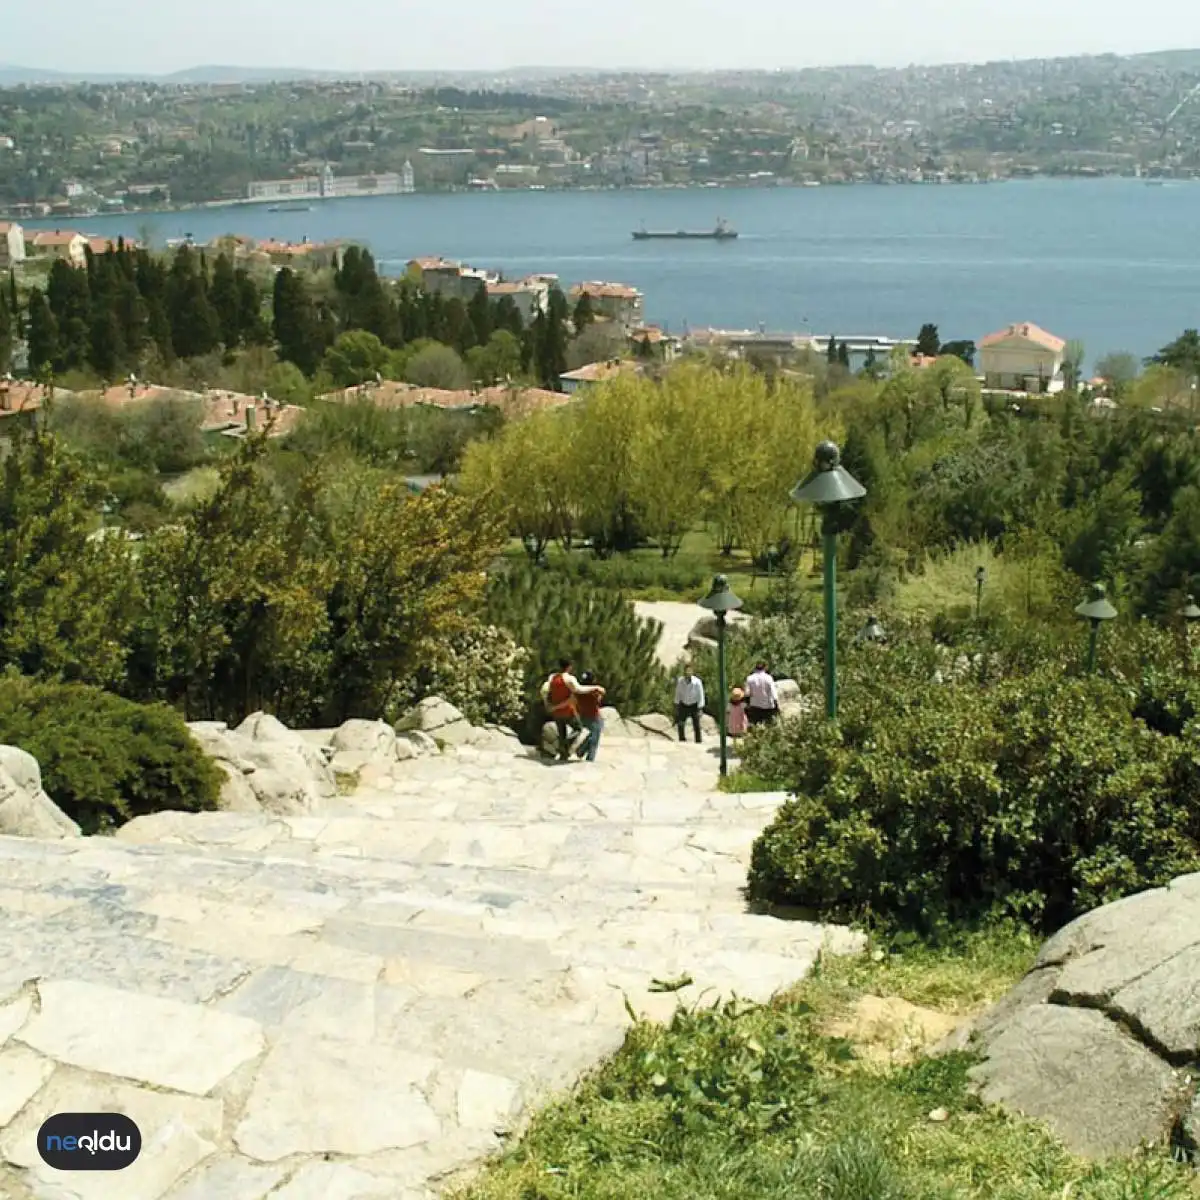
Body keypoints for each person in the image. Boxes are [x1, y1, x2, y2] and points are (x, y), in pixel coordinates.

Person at [540, 658, 602, 762]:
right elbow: (579, 689)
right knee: (578, 728)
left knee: (562, 733)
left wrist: (550, 706)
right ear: (569, 667)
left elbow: (546, 690)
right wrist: (595, 688)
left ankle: (563, 755)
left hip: (556, 712)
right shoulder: (569, 679)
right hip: (567, 710)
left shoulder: (552, 677)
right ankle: (565, 746)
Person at [573, 671, 606, 762]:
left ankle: (581, 750)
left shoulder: (579, 691)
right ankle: (589, 758)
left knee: (594, 733)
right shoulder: (594, 692)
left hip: (582, 715)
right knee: (595, 738)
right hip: (593, 716)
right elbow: (600, 697)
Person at [674, 666, 706, 743]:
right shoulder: (680, 681)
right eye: (686, 670)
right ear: (684, 671)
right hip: (683, 704)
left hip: (694, 705)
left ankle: (698, 741)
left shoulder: (697, 682)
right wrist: (676, 704)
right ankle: (682, 740)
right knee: (680, 723)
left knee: (696, 725)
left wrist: (700, 707)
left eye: (689, 671)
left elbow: (700, 694)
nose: (687, 672)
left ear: (692, 672)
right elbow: (678, 693)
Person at [744, 662, 779, 726]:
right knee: (768, 725)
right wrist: (776, 703)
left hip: (755, 705)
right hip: (768, 705)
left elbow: (747, 693)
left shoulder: (749, 678)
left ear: (755, 668)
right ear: (764, 668)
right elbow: (773, 692)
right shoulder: (769, 678)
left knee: (756, 725)